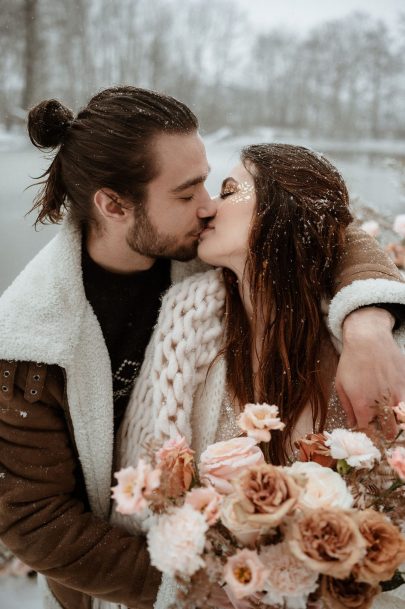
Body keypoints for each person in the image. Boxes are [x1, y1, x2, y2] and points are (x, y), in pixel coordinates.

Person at [0, 86, 404, 609]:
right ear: (114, 205)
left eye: (213, 184)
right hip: (127, 581)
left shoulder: (201, 254)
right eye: (188, 193)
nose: (208, 205)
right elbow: (34, 517)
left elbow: (319, 219)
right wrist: (194, 588)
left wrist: (368, 323)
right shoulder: (31, 342)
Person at [117, 142, 405, 609]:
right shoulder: (185, 319)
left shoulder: (363, 343)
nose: (208, 206)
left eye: (229, 190)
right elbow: (147, 494)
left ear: (283, 212)